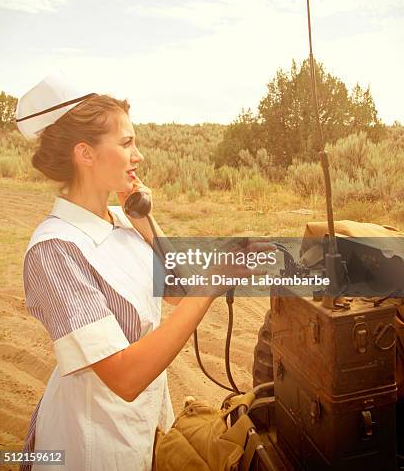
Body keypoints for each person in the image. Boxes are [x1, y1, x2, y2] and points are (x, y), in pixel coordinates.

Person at [16, 72, 262, 471]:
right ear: (85, 154)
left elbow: (178, 289)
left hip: (142, 424)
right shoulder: (55, 250)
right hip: (91, 442)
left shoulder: (121, 219)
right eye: (127, 143)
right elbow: (126, 376)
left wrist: (143, 216)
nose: (139, 156)